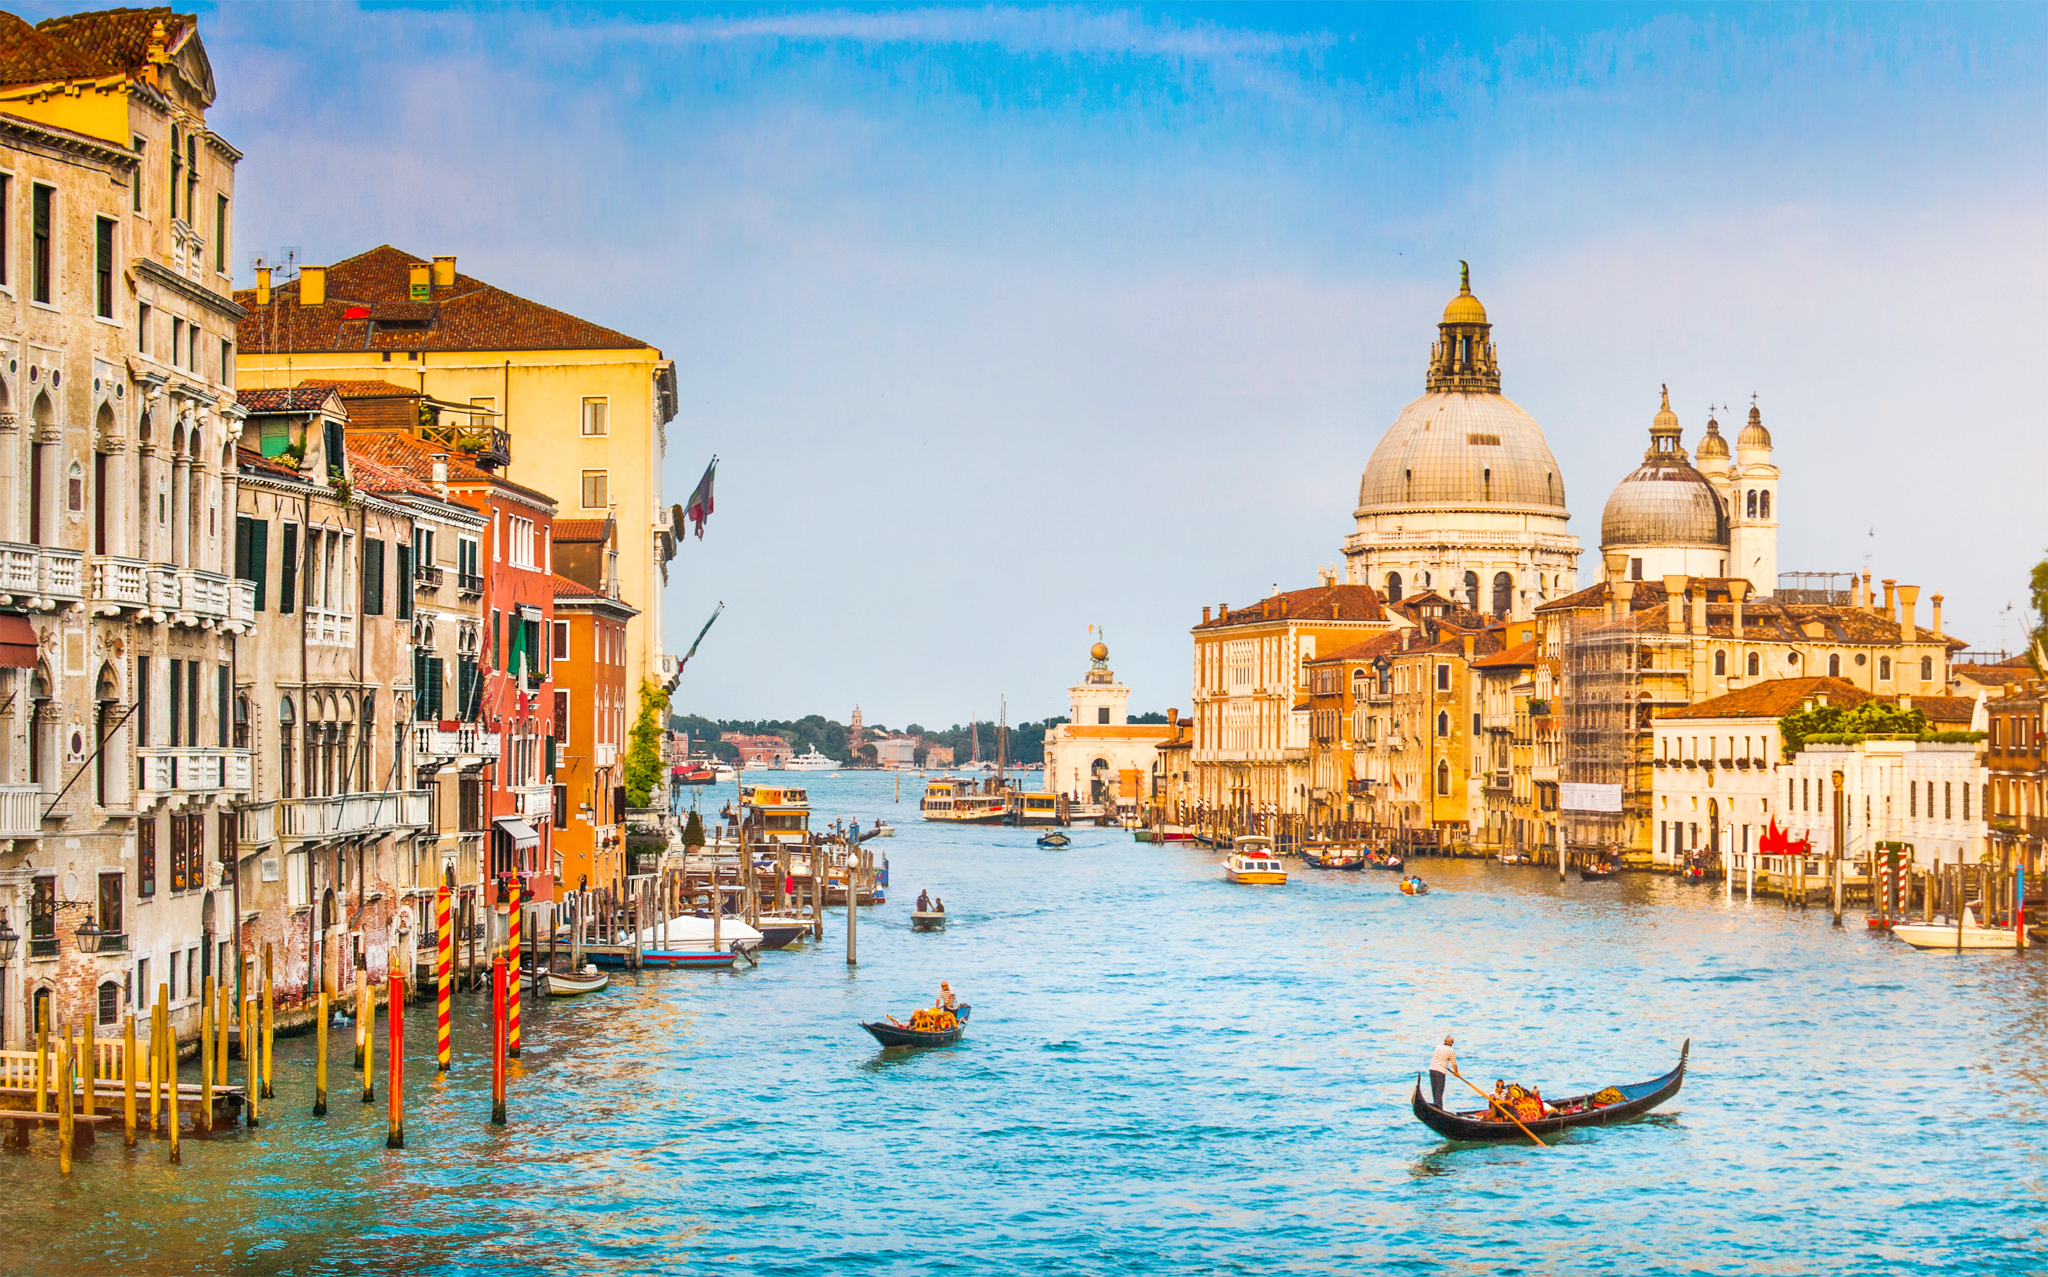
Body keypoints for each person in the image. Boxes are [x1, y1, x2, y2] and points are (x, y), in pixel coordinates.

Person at [1428, 1035, 1458, 1108]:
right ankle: (1438, 1105)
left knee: (1434, 1087)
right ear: (1450, 1043)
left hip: (1432, 1069)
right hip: (1440, 1070)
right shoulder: (1451, 1051)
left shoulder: (1438, 1047)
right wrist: (1456, 1072)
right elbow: (1453, 1064)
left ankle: (1436, 1104)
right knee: (1439, 1088)